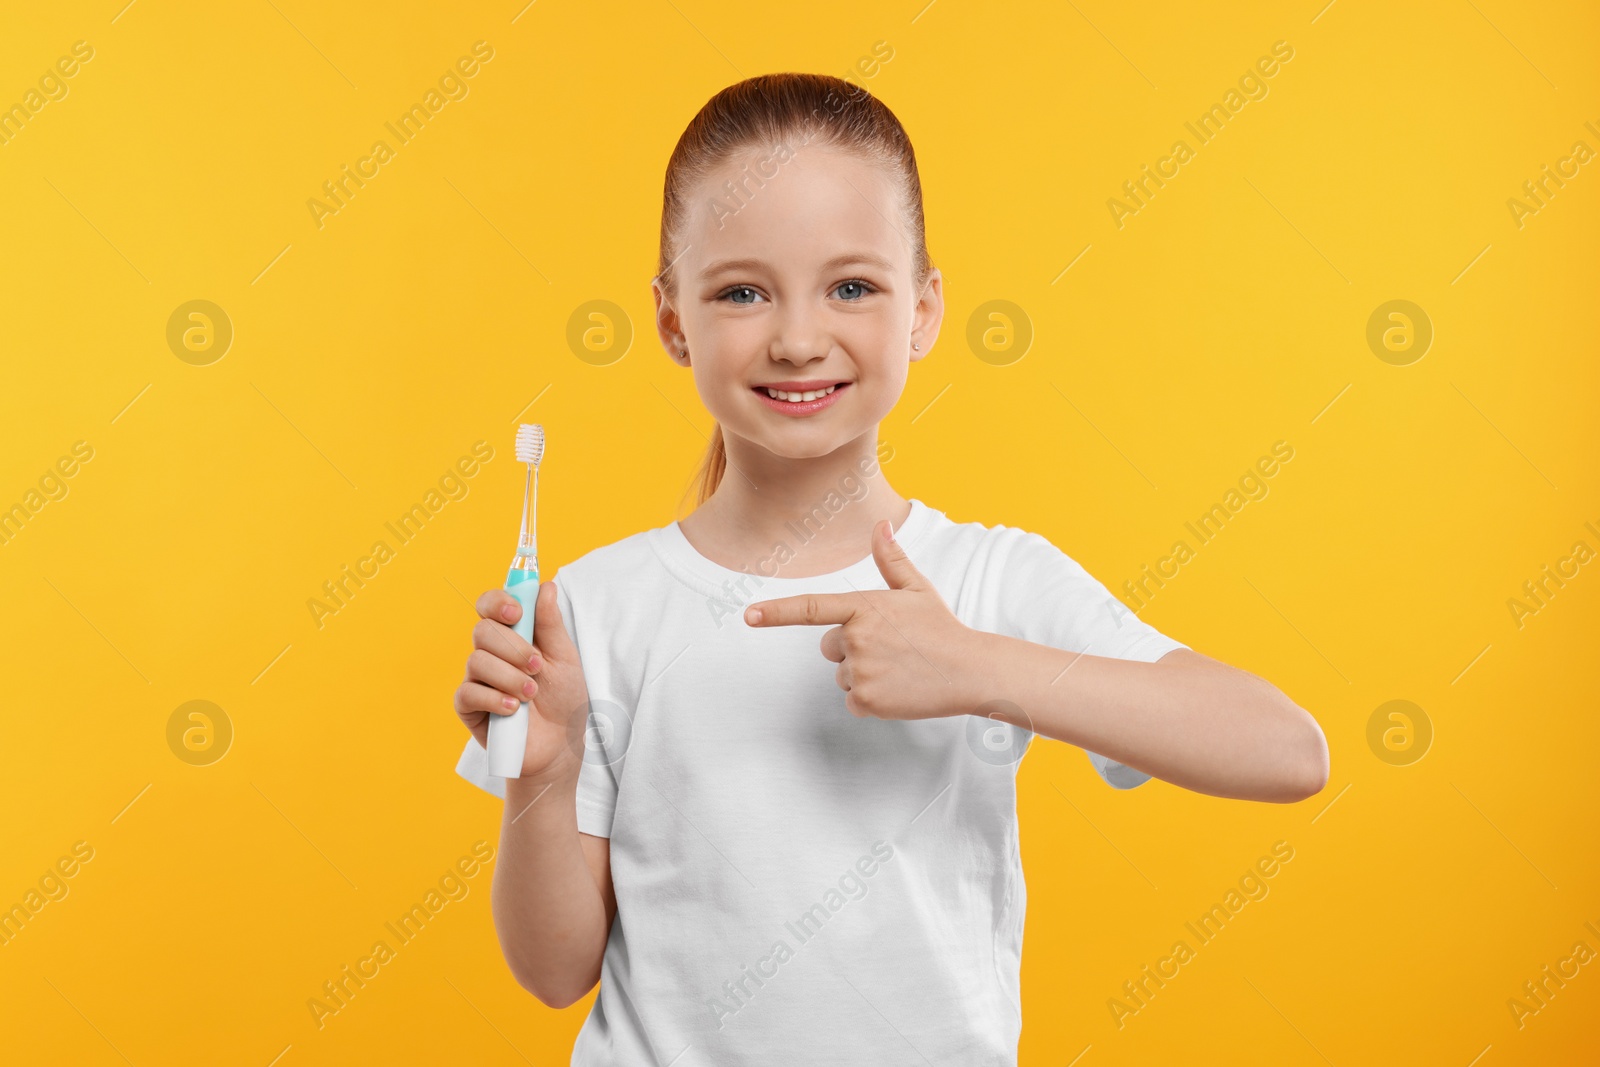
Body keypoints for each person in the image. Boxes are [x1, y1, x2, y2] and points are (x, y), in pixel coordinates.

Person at [453, 72, 1328, 1065]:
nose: (795, 337)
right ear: (670, 321)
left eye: (852, 287)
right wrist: (548, 764)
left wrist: (980, 668)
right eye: (741, 291)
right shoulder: (594, 607)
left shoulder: (990, 581)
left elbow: (1286, 750)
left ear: (923, 309)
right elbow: (552, 968)